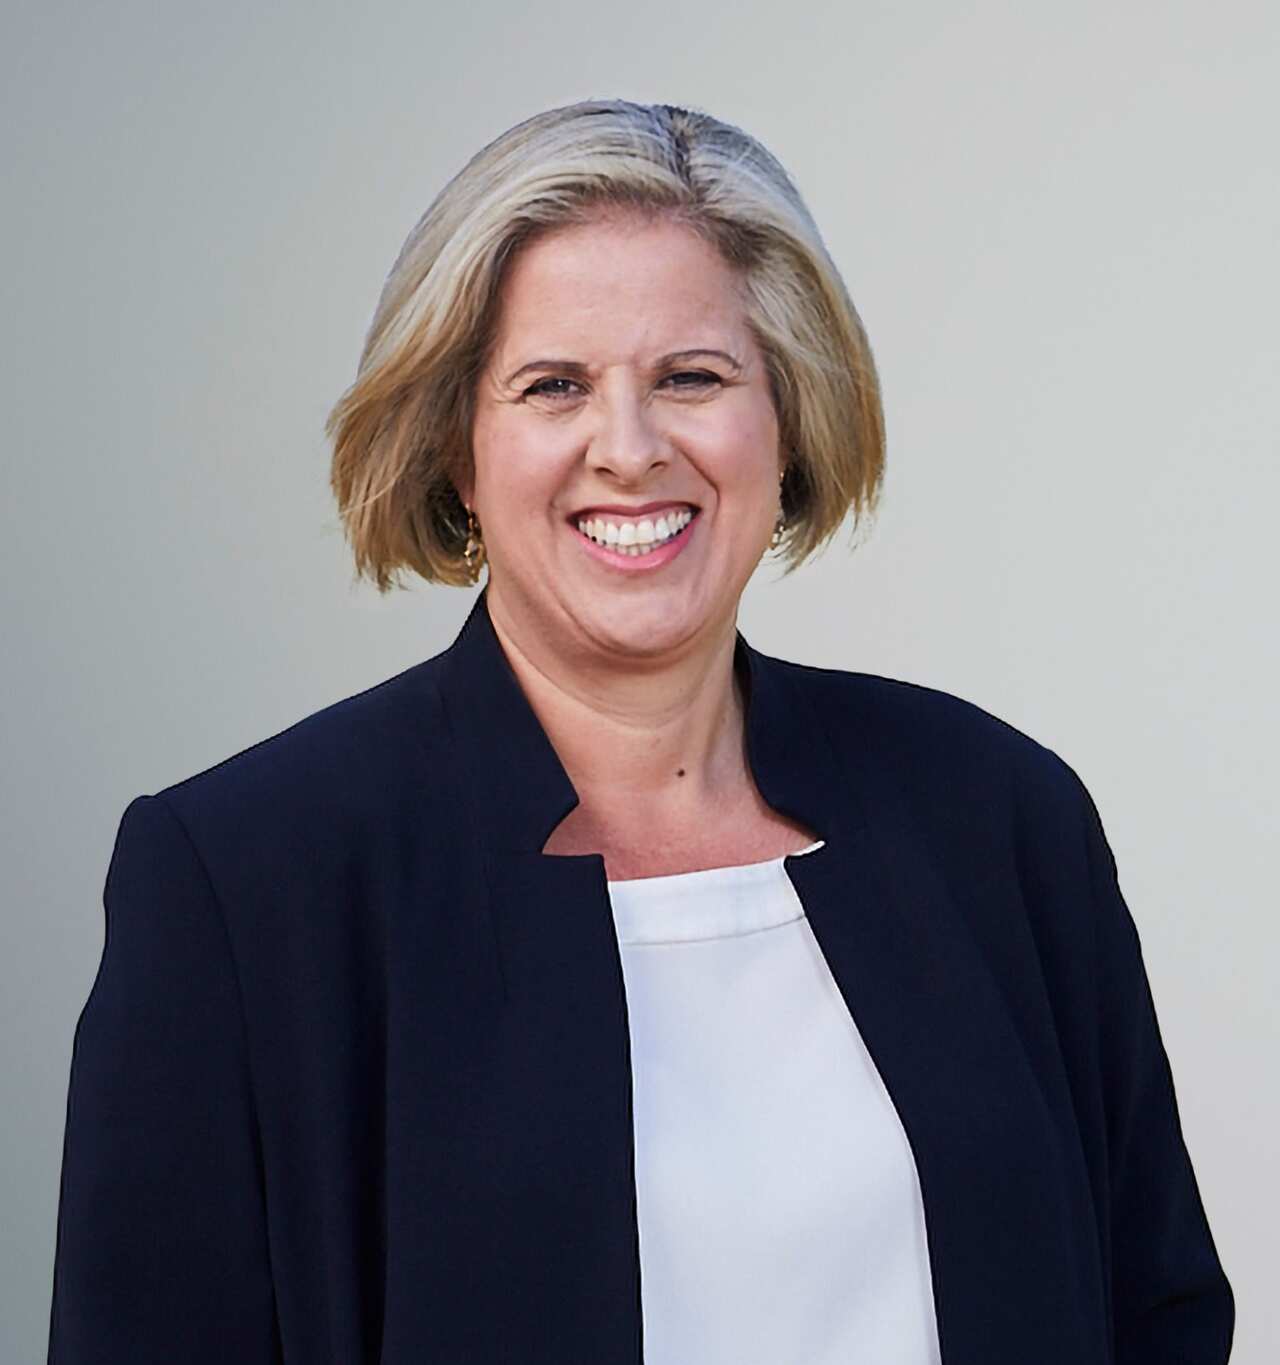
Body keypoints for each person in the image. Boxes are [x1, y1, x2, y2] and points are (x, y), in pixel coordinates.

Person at [47, 98, 1234, 1364]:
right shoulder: (246, 879)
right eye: (553, 386)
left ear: (784, 421)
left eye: (692, 378)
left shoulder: (997, 814)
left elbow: (1155, 1313)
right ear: (455, 445)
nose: (628, 449)